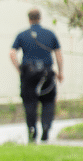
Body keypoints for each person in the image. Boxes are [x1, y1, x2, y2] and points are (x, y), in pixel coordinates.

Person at [10, 8, 64, 142]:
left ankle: (32, 130)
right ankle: (46, 126)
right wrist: (60, 72)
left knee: (29, 103)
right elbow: (58, 54)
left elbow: (12, 53)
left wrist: (19, 69)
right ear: (40, 18)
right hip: (46, 73)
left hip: (28, 74)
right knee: (48, 101)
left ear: (29, 19)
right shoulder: (50, 34)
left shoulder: (22, 35)